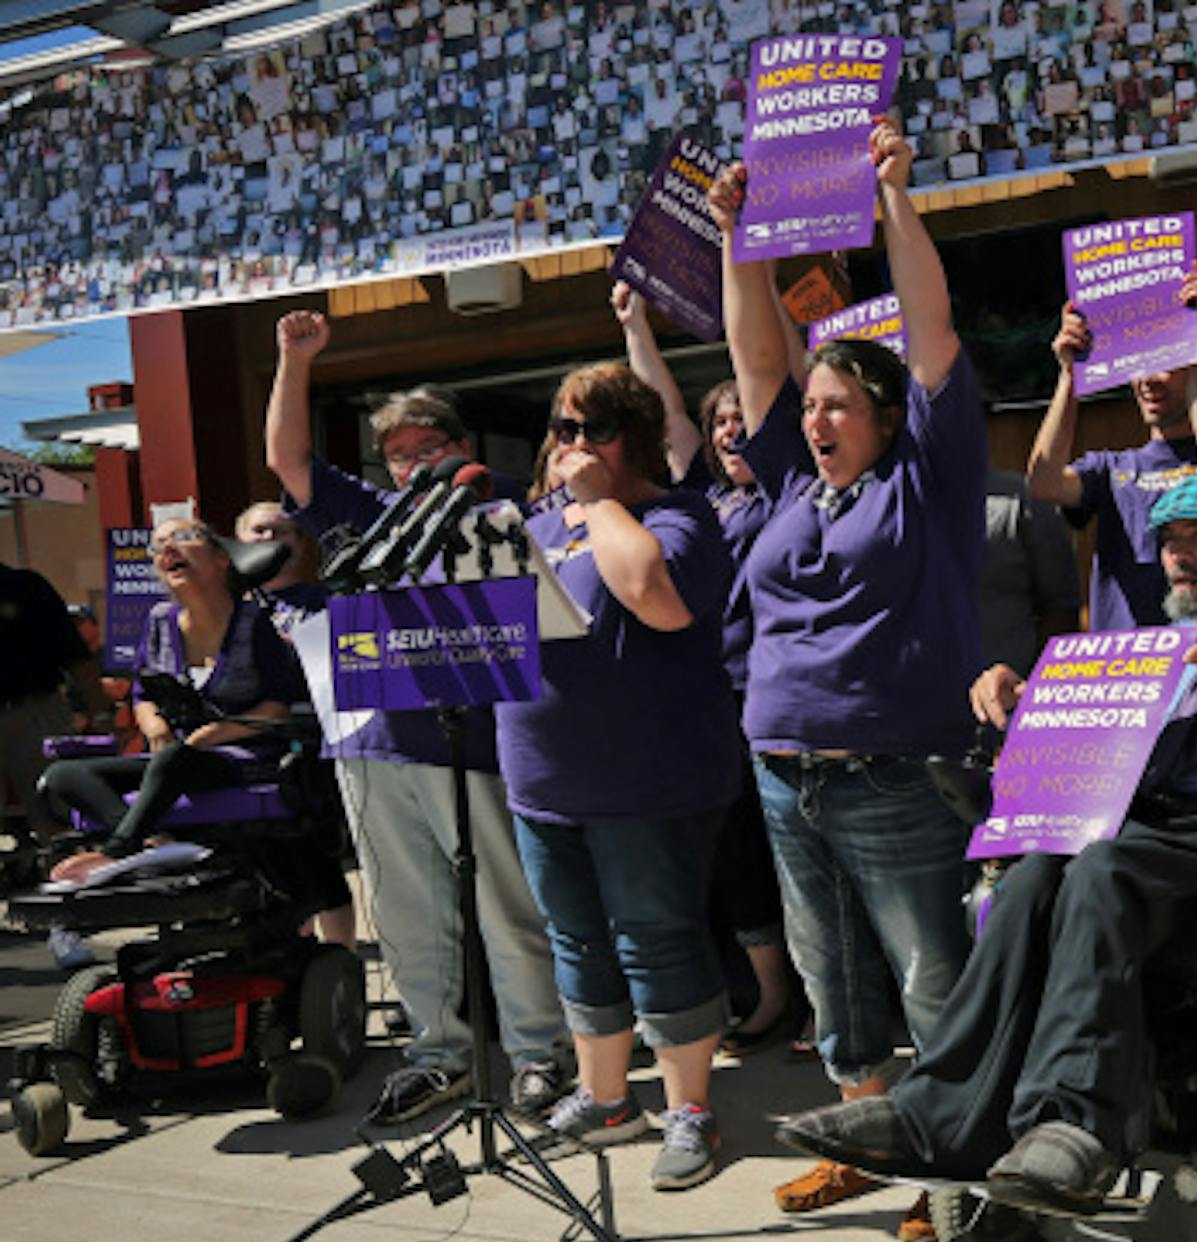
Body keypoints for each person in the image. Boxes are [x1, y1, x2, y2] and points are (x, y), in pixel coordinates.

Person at [774, 468, 1197, 1211]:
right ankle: (932, 1113)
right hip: (1142, 834)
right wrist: (1024, 701)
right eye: (1170, 541)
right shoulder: (1149, 648)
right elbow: (1086, 750)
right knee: (1034, 873)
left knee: (1101, 865)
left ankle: (1073, 1125)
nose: (1180, 556)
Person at [710, 122, 984, 1237]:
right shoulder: (788, 487)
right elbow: (756, 360)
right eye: (809, 408)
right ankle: (868, 1148)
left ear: (883, 416)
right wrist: (737, 241)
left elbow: (932, 333)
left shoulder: (927, 478)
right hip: (786, 776)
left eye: (838, 405)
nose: (813, 418)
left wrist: (892, 200)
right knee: (836, 987)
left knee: (930, 980)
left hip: (896, 775)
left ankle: (954, 1171)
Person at [266, 310, 571, 1127]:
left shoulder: (495, 505)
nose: (408, 466)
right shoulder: (371, 512)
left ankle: (540, 1050)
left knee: (506, 907)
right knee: (404, 914)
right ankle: (437, 1052)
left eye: (424, 448)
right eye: (396, 454)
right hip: (373, 739)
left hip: (474, 741)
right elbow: (287, 459)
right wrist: (296, 361)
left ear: (459, 446)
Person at [507, 361, 739, 1191]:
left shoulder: (680, 515)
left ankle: (690, 1109)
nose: (572, 447)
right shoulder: (537, 520)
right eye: (563, 429)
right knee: (576, 939)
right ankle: (608, 1098)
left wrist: (601, 499)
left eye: (593, 429)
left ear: (633, 437)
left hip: (647, 779)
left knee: (656, 937)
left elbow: (657, 597)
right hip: (544, 778)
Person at [613, 282, 807, 1055]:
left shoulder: (792, 494)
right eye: (718, 422)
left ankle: (813, 996)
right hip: (708, 705)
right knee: (729, 853)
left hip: (777, 701)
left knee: (789, 852)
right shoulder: (702, 502)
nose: (730, 433)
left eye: (741, 420)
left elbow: (770, 374)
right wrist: (636, 326)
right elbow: (663, 414)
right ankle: (767, 991)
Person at [42, 520, 304, 884]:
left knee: (174, 759)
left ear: (220, 559)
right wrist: (155, 726)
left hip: (244, 755)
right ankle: (152, 843)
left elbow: (279, 706)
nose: (167, 549)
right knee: (62, 774)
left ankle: (118, 850)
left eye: (183, 538)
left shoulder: (254, 622)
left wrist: (209, 736)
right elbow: (143, 693)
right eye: (157, 544)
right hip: (174, 756)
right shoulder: (160, 621)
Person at [1022, 260, 1197, 635]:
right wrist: (1069, 375)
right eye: (1139, 366)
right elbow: (1043, 483)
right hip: (1129, 671)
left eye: (1164, 364)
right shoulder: (1110, 468)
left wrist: (1193, 336)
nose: (1148, 381)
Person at [232, 500, 357, 950]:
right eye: (259, 531)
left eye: (281, 532)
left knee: (317, 868)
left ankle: (341, 961)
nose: (269, 540)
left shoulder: (324, 601)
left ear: (299, 546)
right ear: (238, 542)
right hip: (241, 752)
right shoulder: (226, 608)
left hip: (307, 751)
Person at [0, 557, 110, 965]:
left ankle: (66, 927)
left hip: (36, 711)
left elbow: (76, 658)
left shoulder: (27, 587)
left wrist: (100, 716)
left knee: (56, 821)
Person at [980, 469, 1081, 677]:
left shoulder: (1022, 498)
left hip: (1004, 696)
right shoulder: (898, 500)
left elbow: (1062, 607)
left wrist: (1037, 687)